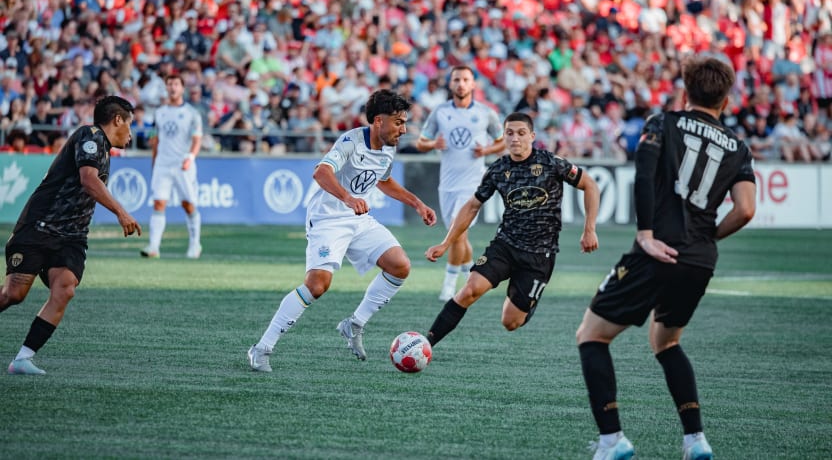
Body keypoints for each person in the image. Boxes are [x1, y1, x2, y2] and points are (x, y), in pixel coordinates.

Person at [574, 55, 757, 460]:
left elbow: (643, 173)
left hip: (658, 249)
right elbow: (745, 209)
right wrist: (706, 238)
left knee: (591, 335)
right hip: (700, 259)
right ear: (726, 100)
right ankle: (695, 441)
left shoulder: (663, 122)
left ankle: (611, 441)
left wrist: (645, 234)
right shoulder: (739, 147)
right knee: (666, 341)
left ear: (685, 90)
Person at [247, 89, 437, 372]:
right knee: (317, 286)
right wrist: (347, 198)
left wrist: (417, 203)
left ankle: (354, 324)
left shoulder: (388, 147)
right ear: (378, 121)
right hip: (329, 219)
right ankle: (261, 349)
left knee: (400, 266)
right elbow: (321, 172)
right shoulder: (350, 141)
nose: (404, 129)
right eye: (398, 122)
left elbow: (383, 180)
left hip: (359, 220)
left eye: (404, 122)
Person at [424, 112, 600, 347]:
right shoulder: (498, 170)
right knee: (470, 290)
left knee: (510, 322)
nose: (515, 138)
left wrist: (589, 229)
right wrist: (446, 243)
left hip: (539, 255)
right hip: (505, 245)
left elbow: (590, 185)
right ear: (503, 137)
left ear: (532, 136)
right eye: (509, 133)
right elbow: (473, 205)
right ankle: (425, 344)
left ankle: (527, 302)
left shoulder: (551, 163)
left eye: (521, 133)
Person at [1, 95, 142, 375]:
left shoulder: (104, 150)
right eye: (129, 125)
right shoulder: (89, 136)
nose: (131, 133)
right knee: (13, 294)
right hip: (39, 226)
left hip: (71, 236)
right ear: (117, 120)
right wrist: (121, 212)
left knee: (65, 289)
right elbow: (88, 180)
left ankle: (22, 359)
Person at [416, 65, 505, 302]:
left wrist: (486, 149)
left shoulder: (486, 113)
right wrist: (433, 144)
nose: (461, 84)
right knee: (459, 234)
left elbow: (502, 142)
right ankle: (472, 275)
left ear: (473, 84)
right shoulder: (440, 112)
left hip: (473, 184)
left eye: (466, 79)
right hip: (447, 184)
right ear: (450, 83)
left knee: (457, 230)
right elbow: (420, 143)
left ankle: (449, 286)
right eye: (456, 79)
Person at [140, 75, 204, 259]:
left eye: (176, 84)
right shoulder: (159, 113)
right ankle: (154, 246)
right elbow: (155, 140)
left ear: (182, 88)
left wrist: (190, 157)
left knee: (188, 205)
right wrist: (154, 163)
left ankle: (195, 243)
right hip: (163, 164)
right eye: (169, 84)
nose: (172, 88)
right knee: (159, 203)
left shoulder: (192, 113)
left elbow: (197, 139)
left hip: (182, 164)